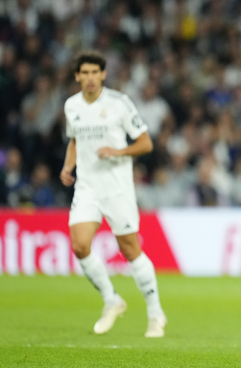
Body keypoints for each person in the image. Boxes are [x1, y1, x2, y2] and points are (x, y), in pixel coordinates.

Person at [60, 51, 166, 337]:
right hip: (87, 187)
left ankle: (155, 313)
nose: (91, 78)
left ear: (103, 75)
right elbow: (74, 140)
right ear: (77, 76)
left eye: (96, 72)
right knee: (80, 246)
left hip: (117, 187)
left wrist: (117, 151)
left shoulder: (119, 104)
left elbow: (145, 143)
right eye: (85, 73)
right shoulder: (72, 106)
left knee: (130, 250)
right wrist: (68, 166)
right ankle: (112, 300)